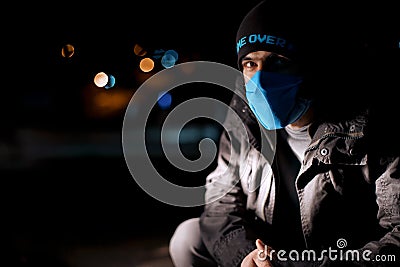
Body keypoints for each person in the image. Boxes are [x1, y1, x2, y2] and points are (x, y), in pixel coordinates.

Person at [169, 0, 400, 266]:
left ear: (312, 67)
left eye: (278, 62)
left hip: (336, 256)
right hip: (270, 251)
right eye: (250, 64)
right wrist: (246, 256)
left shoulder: (373, 127)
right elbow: (220, 203)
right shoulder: (244, 119)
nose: (261, 80)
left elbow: (396, 235)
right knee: (189, 236)